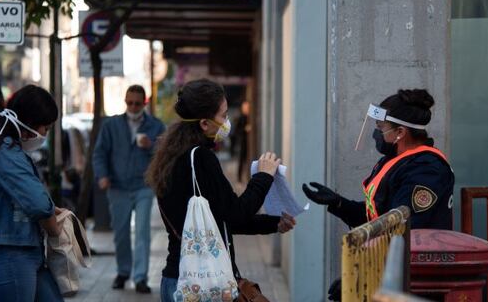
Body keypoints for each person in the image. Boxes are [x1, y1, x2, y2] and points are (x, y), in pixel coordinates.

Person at [146, 78, 296, 302]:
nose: (227, 122)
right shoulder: (201, 158)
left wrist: (272, 223)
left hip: (175, 280)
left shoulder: (170, 155)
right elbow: (236, 212)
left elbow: (221, 220)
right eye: (223, 115)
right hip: (201, 286)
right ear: (205, 123)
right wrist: (263, 177)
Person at [302, 89, 454, 301]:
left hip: (415, 277)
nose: (376, 135)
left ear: (400, 132)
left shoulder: (426, 169)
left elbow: (401, 229)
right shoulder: (396, 160)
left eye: (381, 128)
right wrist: (338, 203)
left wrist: (360, 274)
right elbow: (380, 217)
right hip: (390, 267)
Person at [0, 85, 64, 301]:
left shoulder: (2, 146)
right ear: (31, 124)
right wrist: (56, 229)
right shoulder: (2, 149)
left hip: (22, 251)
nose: (45, 134)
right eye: (46, 127)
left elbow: (22, 195)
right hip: (9, 256)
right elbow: (37, 202)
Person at [93, 85, 166, 293]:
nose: (133, 107)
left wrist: (150, 145)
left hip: (143, 186)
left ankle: (140, 277)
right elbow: (99, 153)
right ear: (125, 102)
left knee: (142, 231)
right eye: (129, 102)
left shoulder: (155, 126)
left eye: (137, 103)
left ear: (144, 103)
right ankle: (123, 271)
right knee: (121, 232)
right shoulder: (111, 125)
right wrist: (103, 175)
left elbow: (165, 153)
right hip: (117, 187)